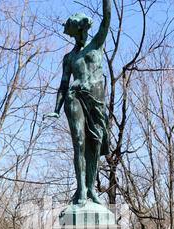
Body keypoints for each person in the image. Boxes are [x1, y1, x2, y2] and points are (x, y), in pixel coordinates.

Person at [44, 1, 111, 205]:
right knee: (80, 143)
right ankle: (81, 189)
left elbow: (107, 18)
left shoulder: (96, 44)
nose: (81, 34)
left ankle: (91, 189)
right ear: (75, 32)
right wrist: (56, 109)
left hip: (97, 103)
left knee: (95, 145)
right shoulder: (69, 57)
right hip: (74, 99)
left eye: (82, 30)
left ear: (86, 29)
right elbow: (64, 85)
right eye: (77, 31)